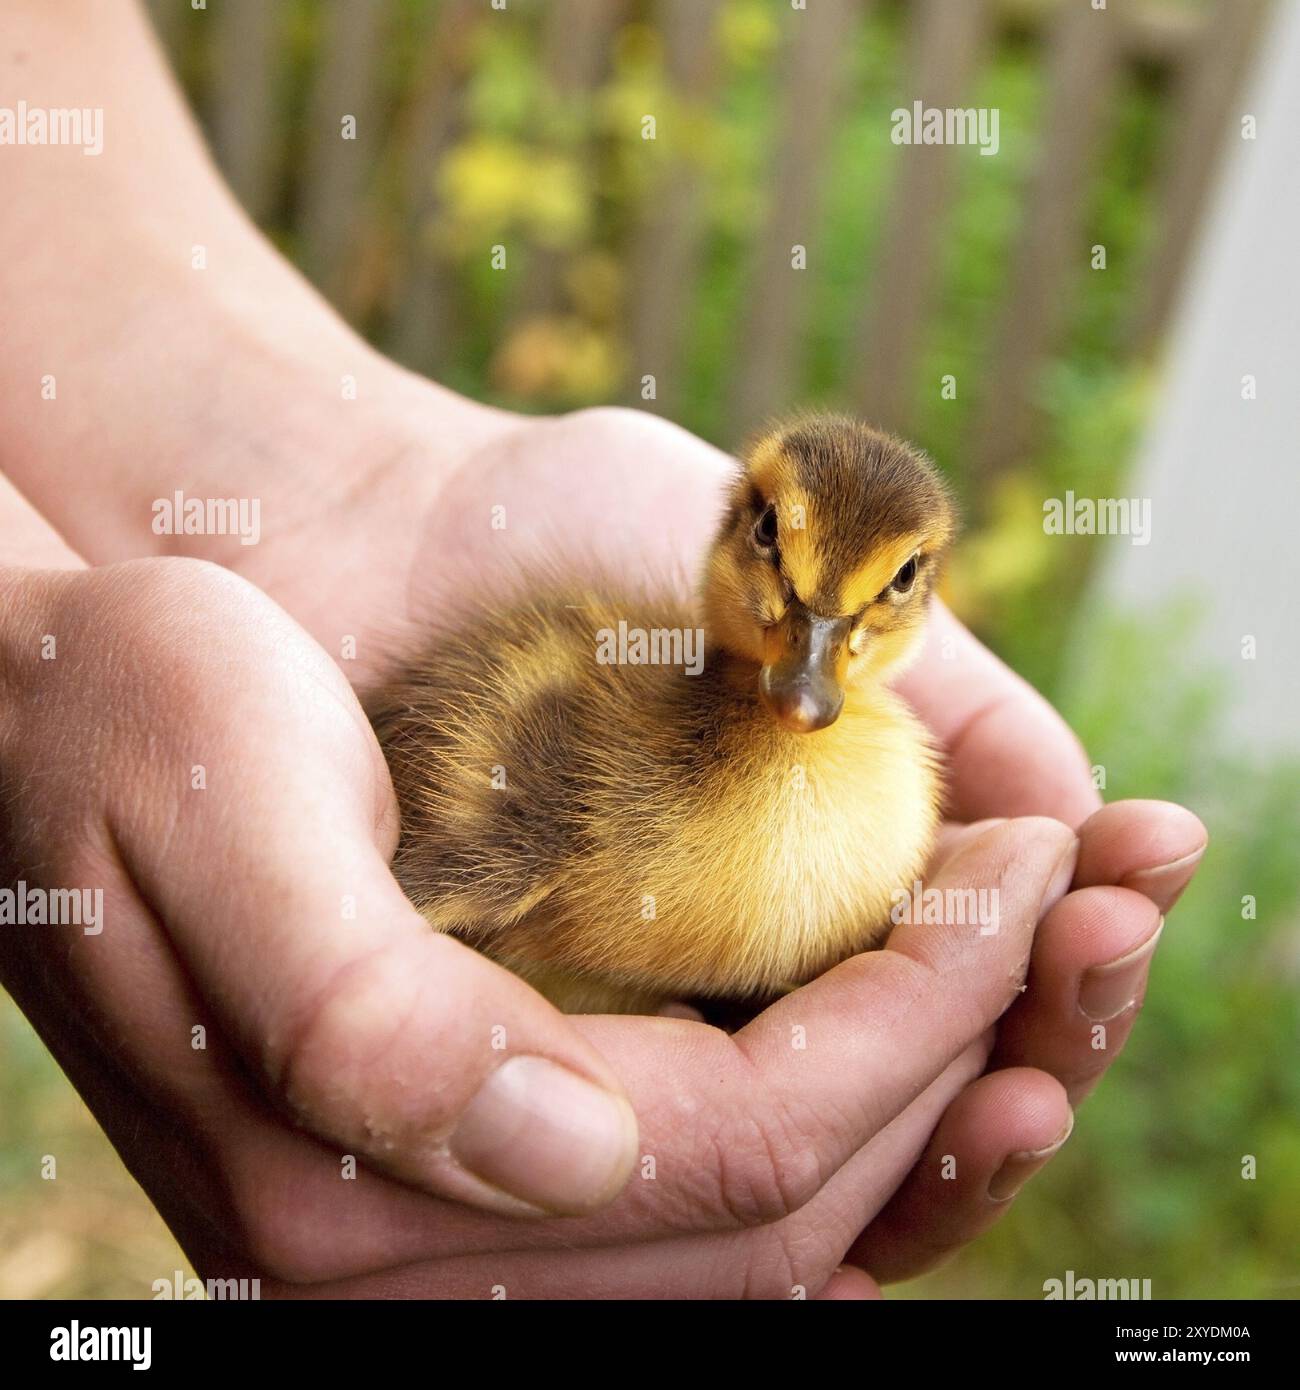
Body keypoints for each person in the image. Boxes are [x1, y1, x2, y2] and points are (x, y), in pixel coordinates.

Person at [0, 0, 1205, 1298]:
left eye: (868, 602)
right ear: (734, 526)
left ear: (923, 590)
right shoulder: (577, 751)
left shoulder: (879, 782)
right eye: (786, 576)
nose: (810, 664)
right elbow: (444, 851)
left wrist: (310, 471)